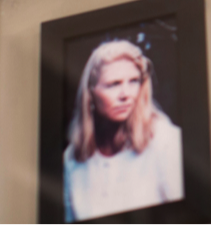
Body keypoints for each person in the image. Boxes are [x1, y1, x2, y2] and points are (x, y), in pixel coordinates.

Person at [63, 40, 183, 222]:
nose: (126, 94)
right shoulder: (72, 159)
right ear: (91, 93)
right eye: (113, 84)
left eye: (134, 81)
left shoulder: (165, 141)